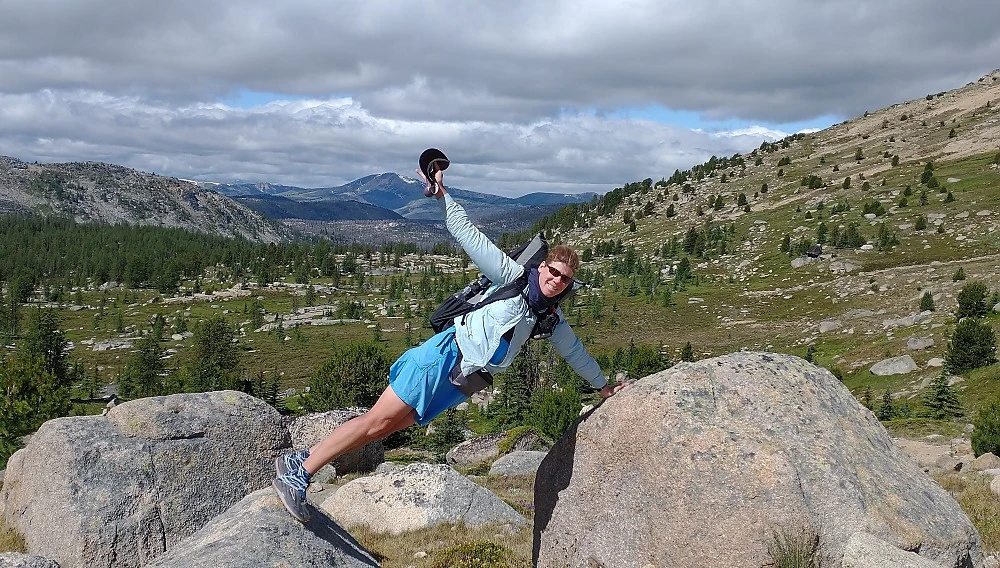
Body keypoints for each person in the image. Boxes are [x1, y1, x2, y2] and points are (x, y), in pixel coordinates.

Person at [272, 160, 624, 522]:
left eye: (566, 279)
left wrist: (603, 386)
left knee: (386, 428)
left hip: (465, 381)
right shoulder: (511, 275)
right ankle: (299, 476)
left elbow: (575, 353)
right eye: (555, 272)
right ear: (542, 267)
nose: (558, 281)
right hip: (442, 357)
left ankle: (302, 459)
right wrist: (443, 195)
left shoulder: (549, 317)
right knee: (376, 422)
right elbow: (469, 234)